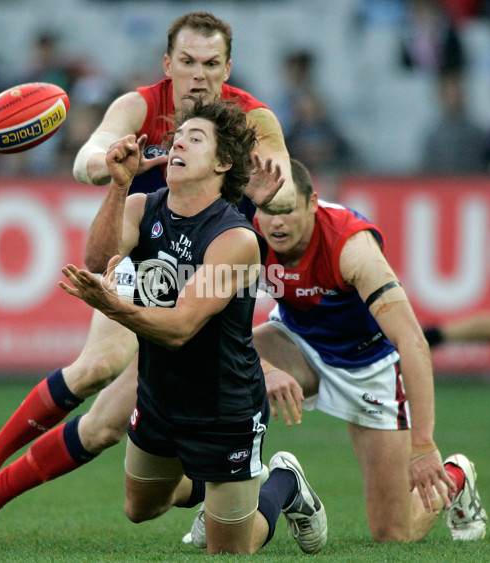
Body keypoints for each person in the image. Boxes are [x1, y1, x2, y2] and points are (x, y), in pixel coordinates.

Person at [0, 12, 297, 546]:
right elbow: (88, 161)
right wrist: (121, 166)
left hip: (213, 286)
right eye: (188, 62)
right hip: (155, 276)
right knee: (101, 376)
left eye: (212, 64)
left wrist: (273, 194)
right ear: (167, 63)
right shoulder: (140, 107)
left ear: (228, 66)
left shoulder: (250, 119)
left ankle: (250, 485)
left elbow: (285, 188)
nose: (199, 75)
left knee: (125, 420)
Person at [58, 97, 326, 554]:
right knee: (140, 508)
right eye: (177, 137)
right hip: (160, 395)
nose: (178, 142)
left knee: (229, 551)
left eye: (195, 138)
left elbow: (180, 327)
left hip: (226, 409)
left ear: (223, 162)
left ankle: (281, 483)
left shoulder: (235, 239)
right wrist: (119, 186)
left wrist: (115, 306)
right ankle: (224, 490)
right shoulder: (142, 208)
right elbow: (98, 260)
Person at [184, 158, 487, 547]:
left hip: (369, 367)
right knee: (214, 364)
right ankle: (231, 497)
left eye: (287, 209)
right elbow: (213, 326)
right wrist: (267, 367)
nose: (275, 221)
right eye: (266, 210)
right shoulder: (247, 235)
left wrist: (424, 446)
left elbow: (412, 343)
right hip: (298, 341)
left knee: (394, 534)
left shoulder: (351, 246)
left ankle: (457, 474)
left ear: (312, 203)